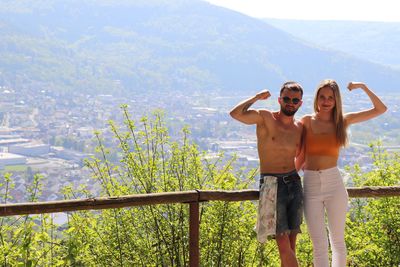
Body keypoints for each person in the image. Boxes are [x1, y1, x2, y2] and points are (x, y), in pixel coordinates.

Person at [296, 80, 387, 267]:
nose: (326, 101)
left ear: (336, 100)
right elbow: (300, 155)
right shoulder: (306, 121)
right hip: (311, 183)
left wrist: (363, 86)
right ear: (316, 98)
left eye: (331, 97)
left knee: (338, 241)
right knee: (319, 244)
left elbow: (380, 109)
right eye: (322, 97)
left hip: (334, 183)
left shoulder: (342, 121)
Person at [230, 81, 304, 267]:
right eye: (286, 98)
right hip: (272, 183)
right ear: (280, 99)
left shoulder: (299, 128)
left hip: (294, 181)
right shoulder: (265, 117)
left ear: (300, 103)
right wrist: (256, 97)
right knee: (283, 243)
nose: (290, 102)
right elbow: (235, 114)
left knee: (292, 243)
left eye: (295, 100)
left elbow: (303, 156)